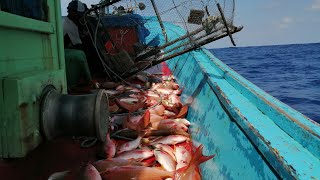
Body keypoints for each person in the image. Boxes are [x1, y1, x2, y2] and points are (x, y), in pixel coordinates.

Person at [63, 0, 92, 88]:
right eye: (78, 14)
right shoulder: (68, 26)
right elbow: (79, 45)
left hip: (68, 48)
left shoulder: (72, 22)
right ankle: (87, 80)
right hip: (64, 53)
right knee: (83, 53)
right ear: (71, 12)